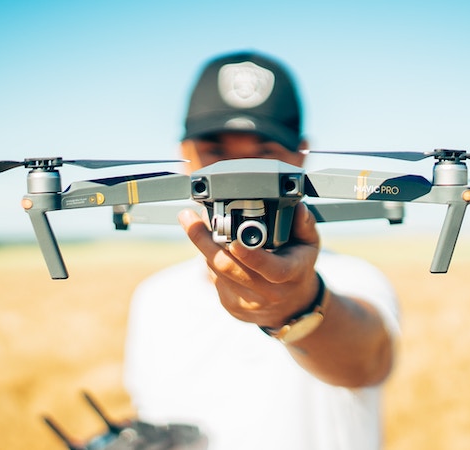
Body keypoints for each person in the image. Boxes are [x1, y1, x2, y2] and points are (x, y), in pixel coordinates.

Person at [123, 51, 400, 450]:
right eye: (217, 154)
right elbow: (154, 411)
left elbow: (366, 360)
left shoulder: (356, 279)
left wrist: (301, 306)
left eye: (264, 153)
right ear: (185, 155)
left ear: (300, 155)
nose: (239, 174)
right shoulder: (154, 297)